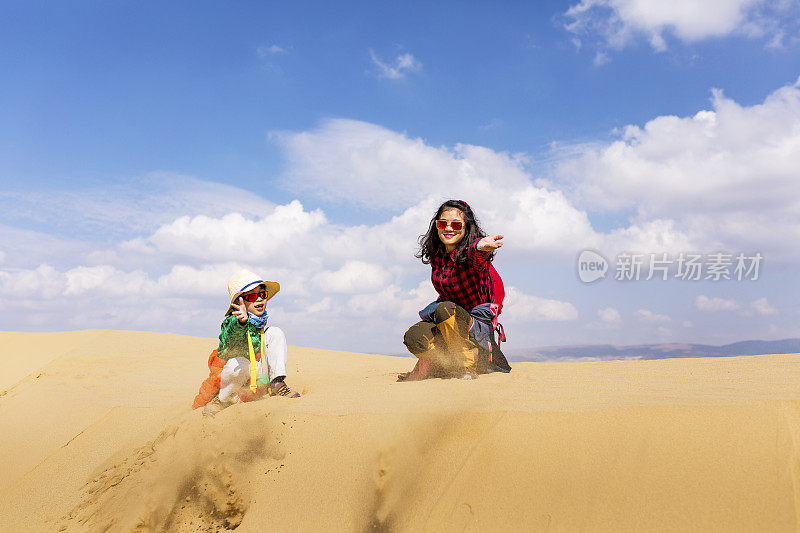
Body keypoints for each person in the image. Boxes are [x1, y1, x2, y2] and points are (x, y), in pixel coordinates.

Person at [398, 200, 511, 381]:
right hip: (449, 321)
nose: (448, 228)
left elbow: (476, 255)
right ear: (436, 226)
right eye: (442, 223)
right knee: (415, 337)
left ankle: (467, 366)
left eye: (456, 224)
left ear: (466, 228)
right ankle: (444, 366)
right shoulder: (437, 255)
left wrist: (480, 246)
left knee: (444, 309)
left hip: (475, 325)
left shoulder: (470, 253)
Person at [192, 269, 299, 416]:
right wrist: (241, 322)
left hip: (257, 377)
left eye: (262, 294)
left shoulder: (259, 322)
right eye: (253, 296)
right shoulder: (232, 321)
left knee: (275, 332)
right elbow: (229, 336)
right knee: (239, 363)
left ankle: (276, 384)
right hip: (236, 379)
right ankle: (222, 400)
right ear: (239, 302)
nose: (259, 299)